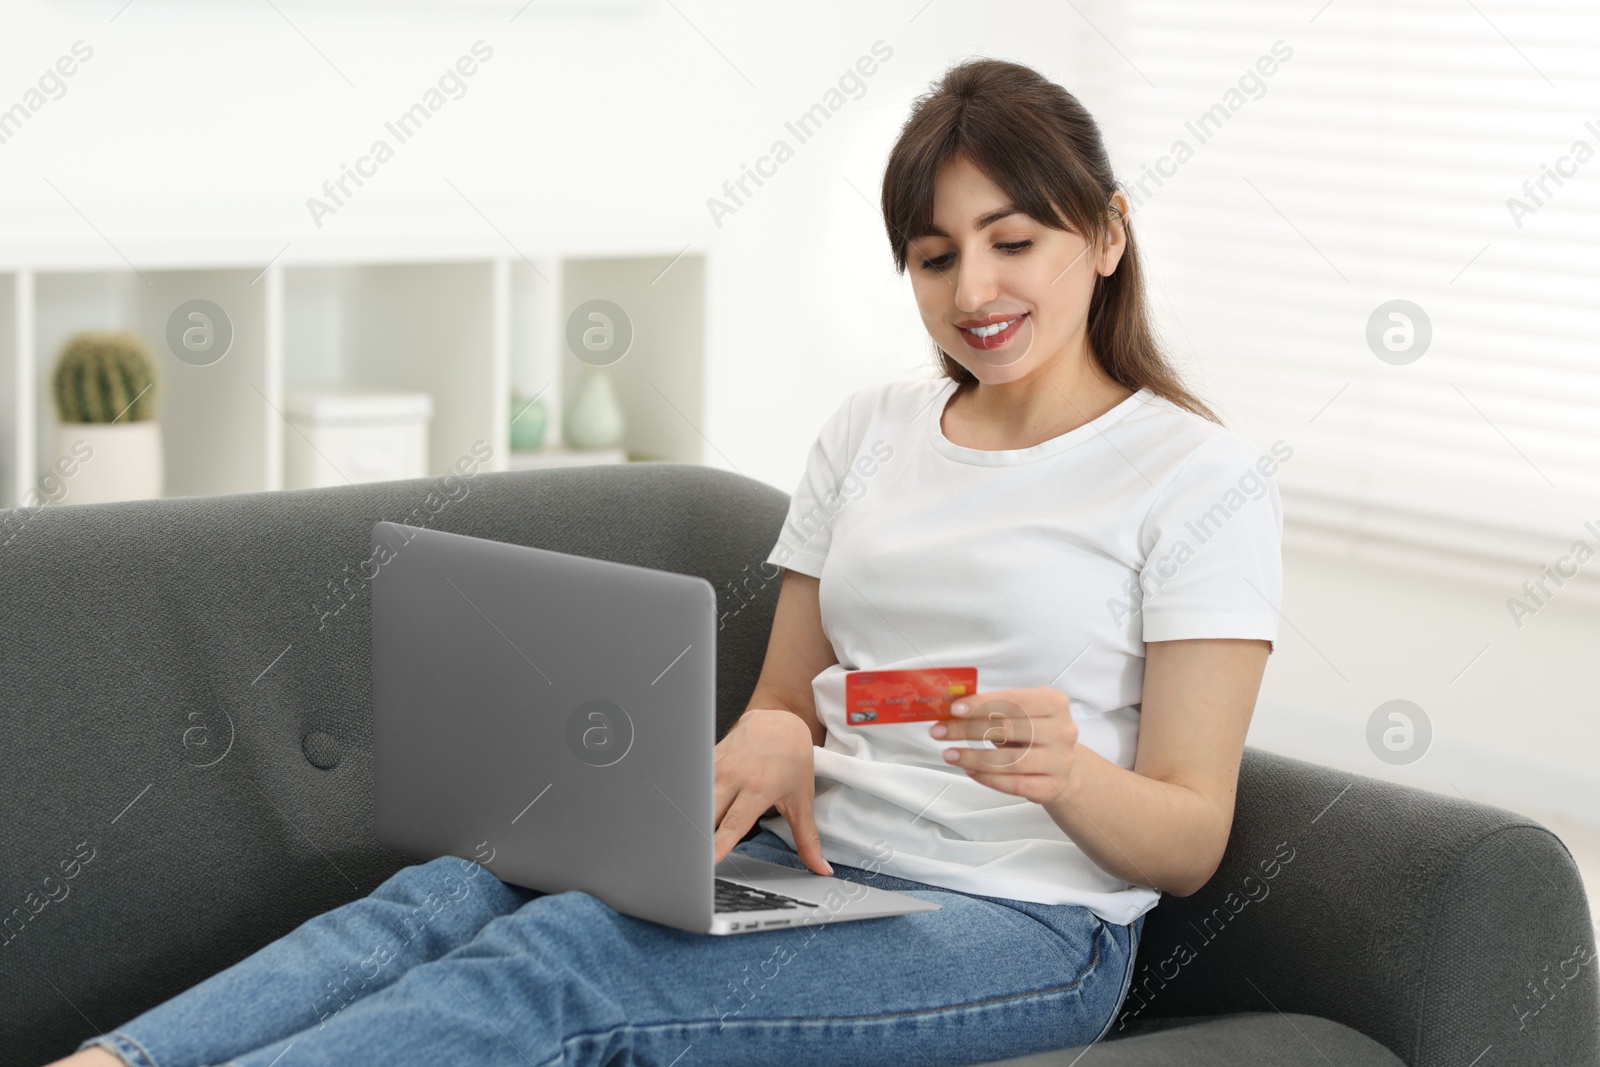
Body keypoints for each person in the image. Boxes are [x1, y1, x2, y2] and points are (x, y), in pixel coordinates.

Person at [51, 56, 1280, 1067]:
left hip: (1020, 918)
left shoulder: (1195, 478)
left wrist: (1066, 772)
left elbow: (1186, 834)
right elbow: (787, 702)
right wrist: (774, 734)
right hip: (807, 863)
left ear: (1107, 233)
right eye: (936, 255)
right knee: (451, 894)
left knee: (562, 963)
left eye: (1013, 240)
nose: (977, 287)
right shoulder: (872, 430)